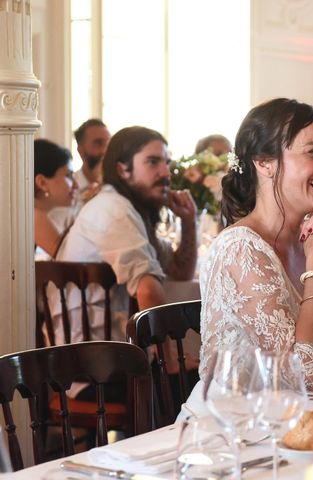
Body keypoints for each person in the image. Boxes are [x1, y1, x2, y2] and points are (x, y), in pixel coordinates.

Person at [185, 98, 313, 406]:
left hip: (300, 418)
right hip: (237, 429)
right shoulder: (240, 248)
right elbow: (303, 375)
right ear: (265, 162)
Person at [53, 126, 198, 398]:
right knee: (204, 378)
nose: (166, 172)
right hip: (91, 369)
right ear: (122, 170)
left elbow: (180, 272)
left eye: (166, 162)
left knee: (203, 371)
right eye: (153, 162)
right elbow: (148, 289)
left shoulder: (130, 208)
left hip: (108, 357)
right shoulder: (114, 209)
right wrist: (168, 358)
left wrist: (188, 222)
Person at [48, 119, 111, 230]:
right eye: (98, 143)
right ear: (80, 150)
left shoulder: (117, 189)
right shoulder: (65, 189)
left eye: (108, 144)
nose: (105, 151)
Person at [34, 139, 78, 258]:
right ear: (42, 182)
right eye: (68, 176)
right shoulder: (33, 217)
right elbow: (69, 259)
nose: (76, 185)